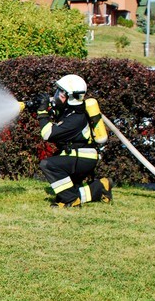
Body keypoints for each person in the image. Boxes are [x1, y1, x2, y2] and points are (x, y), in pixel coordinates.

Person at [37, 74, 113, 208]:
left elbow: (48, 134)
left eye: (60, 92)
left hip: (82, 158)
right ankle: (101, 187)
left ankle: (71, 201)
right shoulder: (71, 111)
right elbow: (57, 115)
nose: (56, 95)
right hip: (78, 156)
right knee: (66, 192)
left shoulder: (76, 118)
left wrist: (42, 113)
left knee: (48, 165)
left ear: (68, 96)